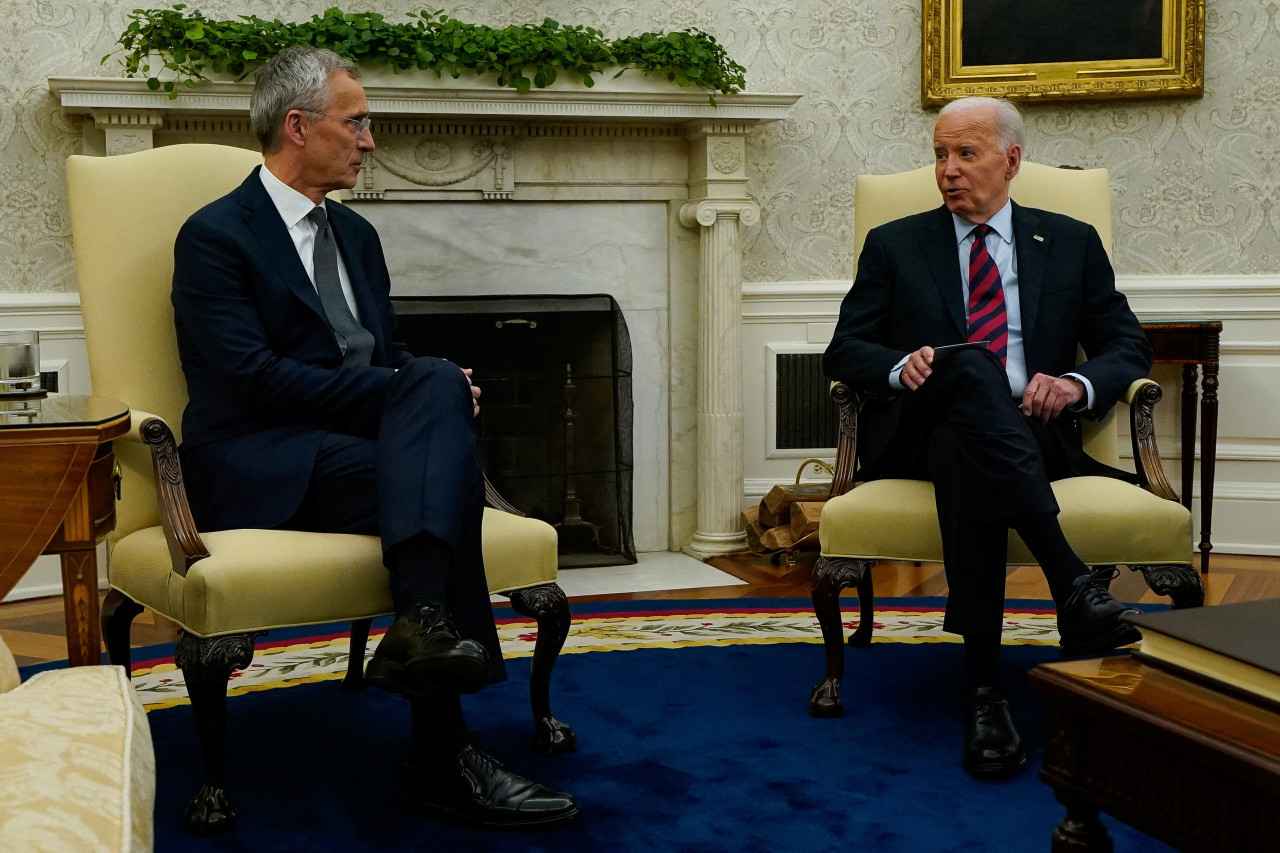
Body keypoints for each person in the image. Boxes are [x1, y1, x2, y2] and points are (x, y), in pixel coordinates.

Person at [170, 45, 579, 828]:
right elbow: (252, 380)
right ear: (298, 126)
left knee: (428, 380)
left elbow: (386, 357)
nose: (370, 140)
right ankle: (441, 749)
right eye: (356, 122)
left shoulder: (356, 236)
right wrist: (410, 393)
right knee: (441, 451)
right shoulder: (216, 236)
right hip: (259, 458)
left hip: (360, 453)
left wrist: (418, 390)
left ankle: (421, 628)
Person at [823, 96, 1151, 778]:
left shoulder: (1069, 240)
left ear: (1012, 160)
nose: (947, 170)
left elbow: (1126, 344)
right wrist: (896, 364)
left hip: (1028, 432)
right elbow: (843, 349)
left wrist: (1075, 384)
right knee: (968, 361)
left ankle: (984, 692)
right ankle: (1073, 583)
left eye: (965, 154)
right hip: (917, 425)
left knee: (963, 448)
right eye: (940, 154)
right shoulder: (895, 243)